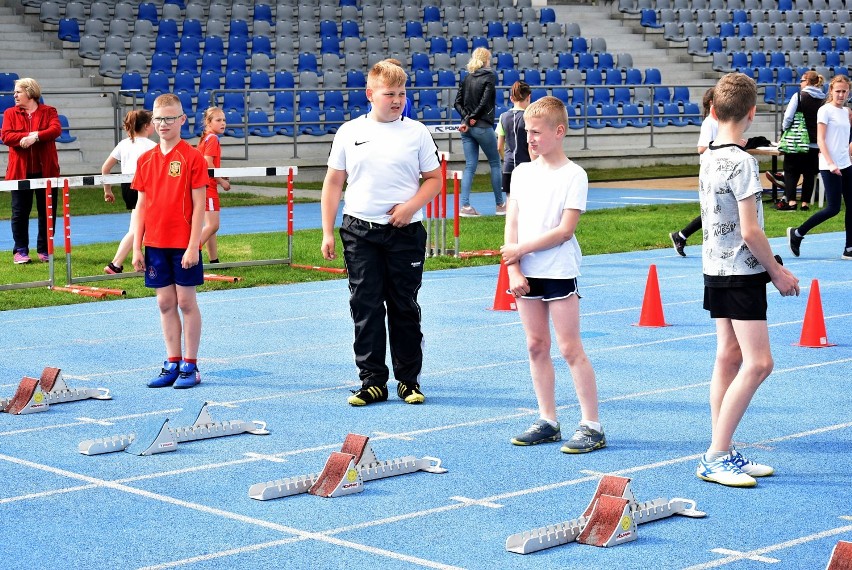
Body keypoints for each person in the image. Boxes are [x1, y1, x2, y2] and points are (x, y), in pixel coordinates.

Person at [696, 73, 800, 487]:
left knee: (729, 357)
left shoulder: (708, 157)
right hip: (741, 272)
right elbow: (751, 230)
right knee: (759, 363)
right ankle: (716, 454)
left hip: (714, 268)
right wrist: (777, 272)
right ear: (752, 114)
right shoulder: (744, 163)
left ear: (715, 112)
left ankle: (723, 446)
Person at [320, 60, 442, 406]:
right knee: (366, 305)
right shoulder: (349, 132)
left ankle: (408, 380)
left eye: (402, 93)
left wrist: (408, 207)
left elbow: (434, 180)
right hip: (359, 230)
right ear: (370, 94)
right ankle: (373, 380)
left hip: (405, 232)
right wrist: (328, 231)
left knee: (403, 305)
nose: (397, 100)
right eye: (390, 94)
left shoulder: (416, 132)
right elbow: (333, 183)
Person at [501, 96, 605, 454]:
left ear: (558, 132)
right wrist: (513, 266)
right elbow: (511, 222)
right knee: (535, 345)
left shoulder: (574, 175)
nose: (529, 138)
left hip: (558, 270)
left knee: (570, 347)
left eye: (536, 132)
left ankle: (591, 424)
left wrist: (520, 251)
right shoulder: (521, 172)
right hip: (525, 272)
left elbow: (564, 231)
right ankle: (548, 419)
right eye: (526, 132)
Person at [131, 93, 209, 389]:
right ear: (152, 121)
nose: (163, 124)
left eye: (170, 118)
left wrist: (193, 245)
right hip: (155, 244)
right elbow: (140, 205)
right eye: (158, 118)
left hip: (183, 244)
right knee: (165, 303)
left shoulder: (192, 157)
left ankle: (191, 364)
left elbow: (199, 205)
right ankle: (172, 361)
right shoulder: (146, 159)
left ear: (182, 120)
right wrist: (137, 246)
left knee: (186, 302)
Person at [788, 74, 852, 260]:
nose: (841, 95)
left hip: (846, 164)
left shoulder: (847, 112)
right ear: (831, 91)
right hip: (828, 164)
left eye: (844, 91)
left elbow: (845, 138)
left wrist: (848, 152)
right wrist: (831, 163)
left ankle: (849, 248)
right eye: (837, 91)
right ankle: (797, 233)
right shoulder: (825, 110)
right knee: (833, 208)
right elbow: (820, 140)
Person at [1, 77, 61, 264]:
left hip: (47, 171)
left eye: (18, 91)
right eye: (15, 92)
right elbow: (6, 136)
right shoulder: (10, 113)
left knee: (47, 212)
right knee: (19, 212)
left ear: (30, 92)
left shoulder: (49, 111)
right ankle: (20, 251)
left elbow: (55, 130)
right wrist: (25, 137)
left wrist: (36, 137)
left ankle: (44, 250)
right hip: (20, 172)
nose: (15, 95)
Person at [101, 109, 157, 274]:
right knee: (137, 227)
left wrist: (107, 190)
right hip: (144, 187)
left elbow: (105, 168)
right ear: (147, 126)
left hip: (127, 186)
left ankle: (140, 261)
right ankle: (115, 264)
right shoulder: (152, 146)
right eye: (153, 123)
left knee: (142, 225)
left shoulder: (124, 144)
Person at [453, 47, 505, 217]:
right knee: (495, 163)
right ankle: (500, 205)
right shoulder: (489, 76)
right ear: (485, 60)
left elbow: (457, 103)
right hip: (481, 125)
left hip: (466, 127)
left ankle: (465, 206)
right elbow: (484, 101)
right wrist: (472, 118)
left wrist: (466, 119)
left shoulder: (467, 77)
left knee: (470, 166)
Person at [669, 88, 715, 257]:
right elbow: (701, 148)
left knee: (715, 210)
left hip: (719, 169)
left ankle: (681, 236)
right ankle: (681, 236)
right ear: (712, 103)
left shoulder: (720, 122)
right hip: (710, 171)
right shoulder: (709, 123)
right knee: (711, 210)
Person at [776, 71, 825, 211]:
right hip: (815, 143)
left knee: (791, 171)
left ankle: (791, 202)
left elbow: (788, 117)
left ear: (808, 82)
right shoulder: (823, 99)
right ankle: (805, 203)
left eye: (802, 80)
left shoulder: (798, 96)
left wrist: (784, 130)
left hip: (797, 142)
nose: (800, 83)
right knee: (809, 174)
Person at [196, 107, 231, 264]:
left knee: (210, 227)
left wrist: (220, 173)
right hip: (208, 186)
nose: (223, 123)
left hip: (206, 185)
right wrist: (222, 181)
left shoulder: (207, 138)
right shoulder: (213, 139)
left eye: (224, 120)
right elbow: (207, 164)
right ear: (208, 122)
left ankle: (214, 261)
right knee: (213, 225)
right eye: (218, 120)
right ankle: (190, 251)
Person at [496, 80, 532, 199]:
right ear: (529, 97)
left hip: (509, 165)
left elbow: (499, 147)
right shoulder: (529, 118)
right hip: (527, 164)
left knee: (511, 201)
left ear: (511, 98)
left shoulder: (503, 117)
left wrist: (505, 159)